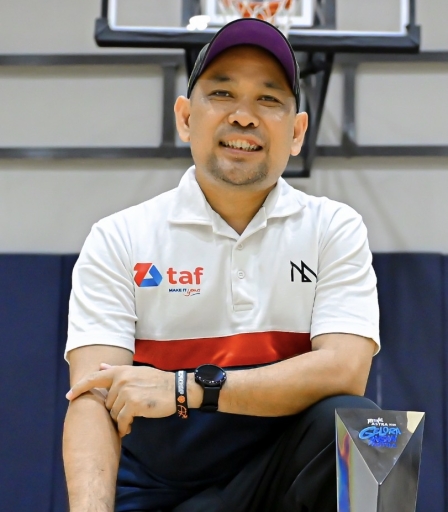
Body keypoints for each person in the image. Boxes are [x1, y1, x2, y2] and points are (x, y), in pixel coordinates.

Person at [63, 18, 380, 512]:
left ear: (297, 132)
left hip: (278, 483)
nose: (244, 117)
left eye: (268, 99)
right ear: (185, 117)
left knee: (371, 431)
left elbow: (346, 370)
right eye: (223, 93)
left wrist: (187, 388)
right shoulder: (120, 237)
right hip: (163, 494)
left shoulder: (333, 228)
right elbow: (92, 398)